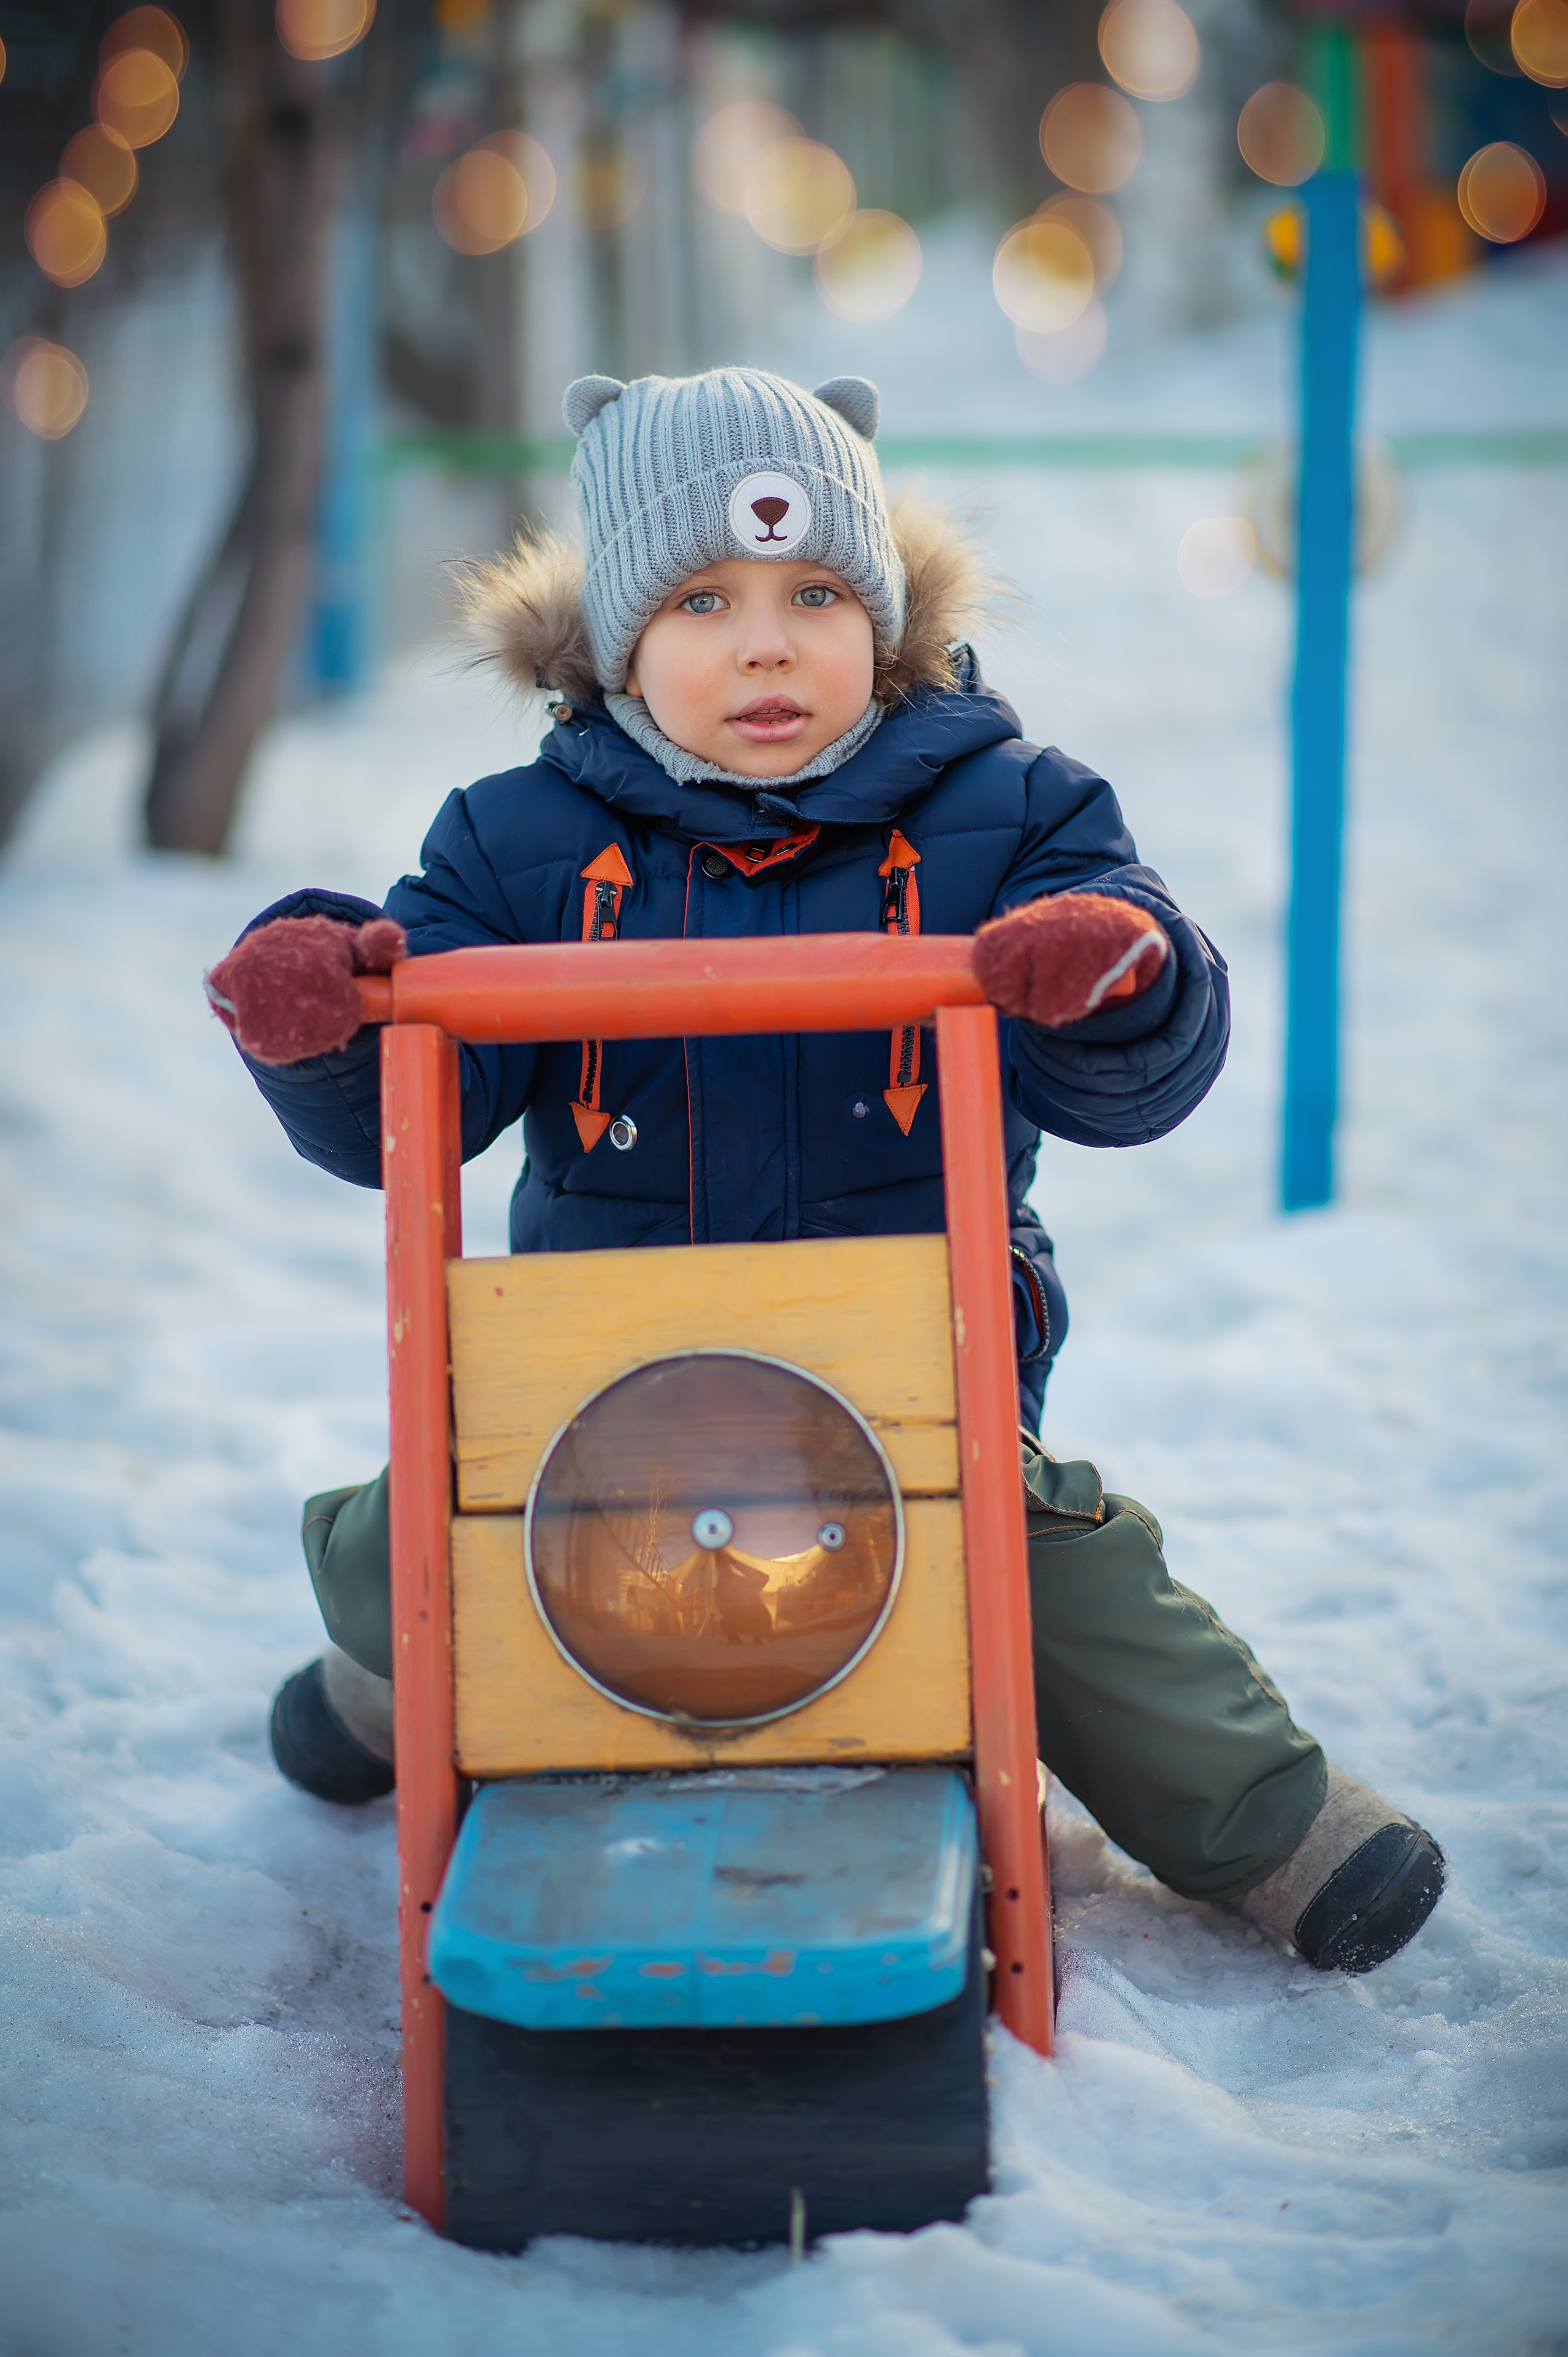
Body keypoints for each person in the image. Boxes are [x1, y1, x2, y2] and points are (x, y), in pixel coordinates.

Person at [208, 367, 1444, 1977]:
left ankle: (1271, 1820)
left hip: (910, 1381)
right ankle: (395, 1670)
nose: (769, 643)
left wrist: (1118, 976)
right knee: (449, 1525)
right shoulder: (515, 846)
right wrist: (325, 1023)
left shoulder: (1008, 815)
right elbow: (417, 1084)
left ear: (889, 618)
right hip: (603, 1387)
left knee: (1041, 1572)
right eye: (704, 600)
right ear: (616, 644)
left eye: (816, 594)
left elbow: (1136, 1026)